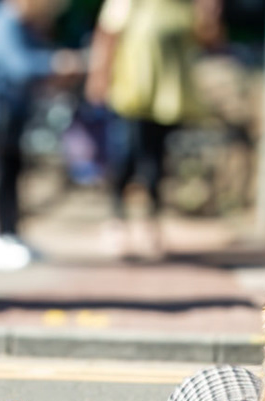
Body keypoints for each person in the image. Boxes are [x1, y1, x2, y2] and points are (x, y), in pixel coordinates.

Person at [86, 0, 217, 260]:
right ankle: (117, 221)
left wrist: (209, 15)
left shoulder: (183, 5)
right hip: (132, 94)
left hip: (168, 98)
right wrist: (98, 77)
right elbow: (107, 37)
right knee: (127, 158)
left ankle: (151, 223)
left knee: (156, 163)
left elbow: (208, 40)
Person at [0, 0, 78, 272]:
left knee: (11, 172)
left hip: (5, 110)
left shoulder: (13, 20)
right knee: (2, 175)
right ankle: (1, 237)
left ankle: (11, 234)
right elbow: (18, 64)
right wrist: (56, 62)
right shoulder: (4, 21)